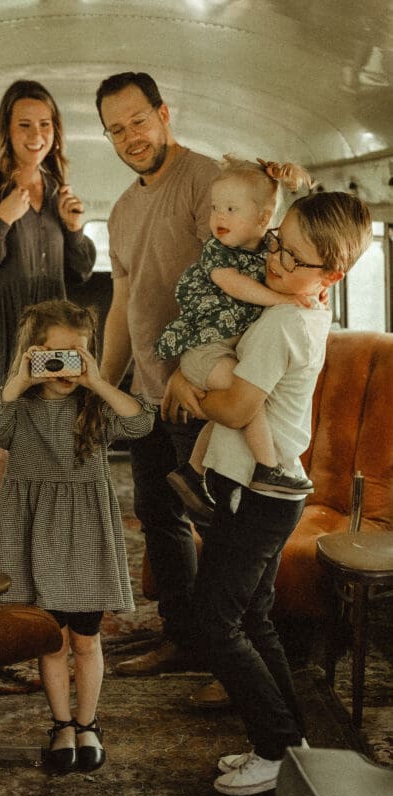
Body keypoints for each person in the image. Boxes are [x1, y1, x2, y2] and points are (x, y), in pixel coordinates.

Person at [163, 191, 372, 796]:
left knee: (215, 620)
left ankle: (275, 747)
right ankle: (291, 742)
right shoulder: (303, 306)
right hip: (266, 489)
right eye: (276, 242)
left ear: (329, 275)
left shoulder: (285, 320)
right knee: (252, 615)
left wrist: (186, 382)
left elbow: (234, 406)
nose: (275, 261)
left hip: (261, 492)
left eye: (293, 257)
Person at [0, 300, 154, 773]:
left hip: (85, 533)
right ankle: (62, 725)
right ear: (32, 355)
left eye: (77, 355)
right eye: (54, 356)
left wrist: (97, 380)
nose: (64, 367)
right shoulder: (19, 406)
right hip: (35, 531)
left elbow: (140, 422)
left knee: (87, 640)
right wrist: (20, 379)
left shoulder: (94, 402)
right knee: (50, 642)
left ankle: (88, 722)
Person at [95, 71, 221, 684]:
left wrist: (188, 371)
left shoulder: (207, 183)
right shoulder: (121, 210)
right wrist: (101, 381)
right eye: (115, 130)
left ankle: (232, 651)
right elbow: (123, 302)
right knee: (156, 513)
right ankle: (184, 638)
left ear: (164, 113)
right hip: (146, 392)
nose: (130, 137)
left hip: (200, 391)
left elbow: (226, 291)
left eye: (138, 121)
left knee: (214, 519)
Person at [0, 80, 96, 569]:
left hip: (48, 346)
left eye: (45, 124)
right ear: (6, 131)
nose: (36, 135)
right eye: (24, 124)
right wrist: (0, 221)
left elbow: (82, 270)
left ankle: (37, 568)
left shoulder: (57, 192)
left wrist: (75, 230)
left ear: (56, 131)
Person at [155, 156, 315, 522]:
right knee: (245, 402)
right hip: (204, 352)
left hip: (224, 351)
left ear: (262, 220)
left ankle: (192, 474)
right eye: (214, 208)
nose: (218, 218)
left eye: (230, 209)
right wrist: (282, 299)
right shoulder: (217, 251)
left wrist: (296, 187)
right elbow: (234, 285)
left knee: (230, 410)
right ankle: (268, 467)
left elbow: (303, 232)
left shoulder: (269, 248)